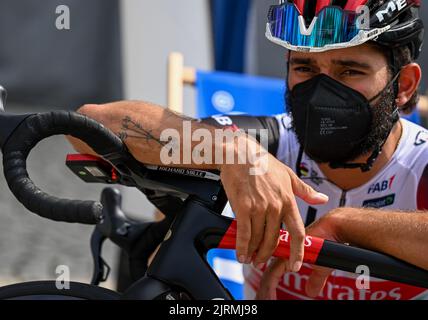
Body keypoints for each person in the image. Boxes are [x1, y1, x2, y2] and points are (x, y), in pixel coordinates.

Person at [68, 0, 428, 300]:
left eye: (349, 71)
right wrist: (233, 151)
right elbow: (88, 126)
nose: (321, 93)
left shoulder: (421, 161)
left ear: (405, 85)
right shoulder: (266, 144)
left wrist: (347, 225)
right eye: (304, 66)